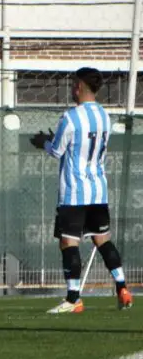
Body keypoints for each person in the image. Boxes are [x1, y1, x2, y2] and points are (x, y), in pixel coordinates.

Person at [30, 67, 133, 313]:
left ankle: (74, 299)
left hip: (74, 191)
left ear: (78, 87)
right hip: (98, 190)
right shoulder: (105, 117)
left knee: (69, 243)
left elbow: (56, 151)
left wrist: (42, 142)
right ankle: (122, 286)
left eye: (72, 85)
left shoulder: (70, 117)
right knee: (103, 240)